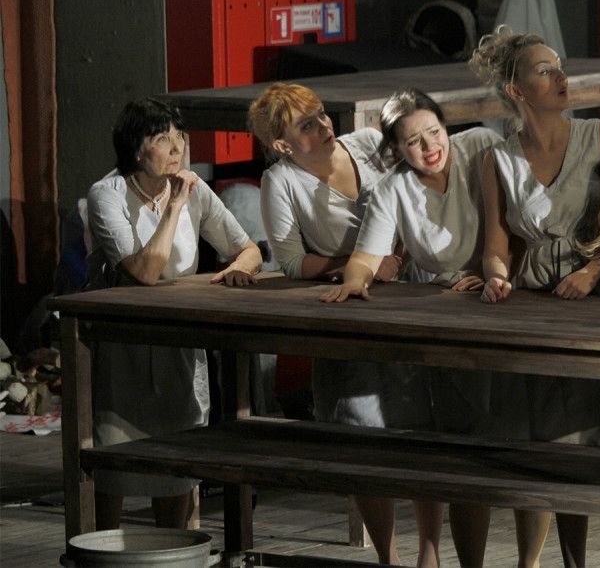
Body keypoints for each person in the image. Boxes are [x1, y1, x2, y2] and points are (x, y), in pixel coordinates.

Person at [320, 88, 502, 566]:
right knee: (445, 439)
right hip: (449, 309)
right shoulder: (392, 188)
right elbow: (367, 256)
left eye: (434, 133)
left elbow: (514, 219)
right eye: (414, 142)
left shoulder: (481, 146)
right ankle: (428, 554)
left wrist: (495, 270)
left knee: (477, 441)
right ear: (397, 149)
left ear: (446, 126)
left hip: (504, 294)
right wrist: (354, 282)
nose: (430, 147)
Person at [250, 83, 426, 567]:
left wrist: (400, 254)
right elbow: (290, 261)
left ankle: (430, 553)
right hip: (354, 306)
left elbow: (420, 186)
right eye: (307, 124)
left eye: (322, 115)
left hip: (414, 294)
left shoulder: (365, 144)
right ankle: (389, 557)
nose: (324, 126)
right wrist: (360, 263)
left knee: (425, 430)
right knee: (362, 433)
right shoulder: (281, 181)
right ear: (283, 144)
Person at [470, 25, 600, 568]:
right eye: (544, 70)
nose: (561, 77)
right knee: (536, 445)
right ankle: (529, 563)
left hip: (595, 299)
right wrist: (495, 276)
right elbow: (496, 244)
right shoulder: (497, 159)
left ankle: (580, 560)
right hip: (535, 303)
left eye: (560, 67)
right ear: (517, 91)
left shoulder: (599, 137)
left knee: (585, 442)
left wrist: (594, 270)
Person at [86, 99, 261, 530]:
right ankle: (104, 550)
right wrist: (175, 207)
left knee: (177, 458)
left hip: (178, 339)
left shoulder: (192, 188)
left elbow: (248, 249)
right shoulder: (107, 194)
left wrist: (236, 270)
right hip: (125, 342)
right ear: (135, 149)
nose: (177, 147)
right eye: (162, 139)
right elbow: (144, 271)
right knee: (116, 455)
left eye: (179, 136)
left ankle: (173, 548)